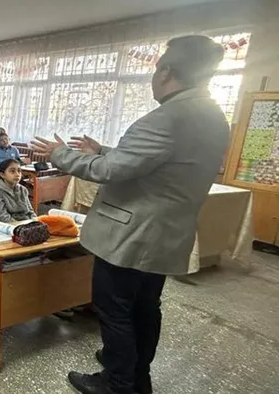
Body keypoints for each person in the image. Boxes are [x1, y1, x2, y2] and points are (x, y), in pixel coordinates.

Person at [30, 35, 230, 394]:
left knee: (115, 308)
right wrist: (103, 149)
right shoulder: (213, 115)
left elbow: (110, 171)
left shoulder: (168, 116)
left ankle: (118, 382)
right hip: (165, 234)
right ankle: (137, 375)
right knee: (146, 307)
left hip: (131, 235)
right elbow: (157, 162)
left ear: (165, 72)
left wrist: (60, 154)